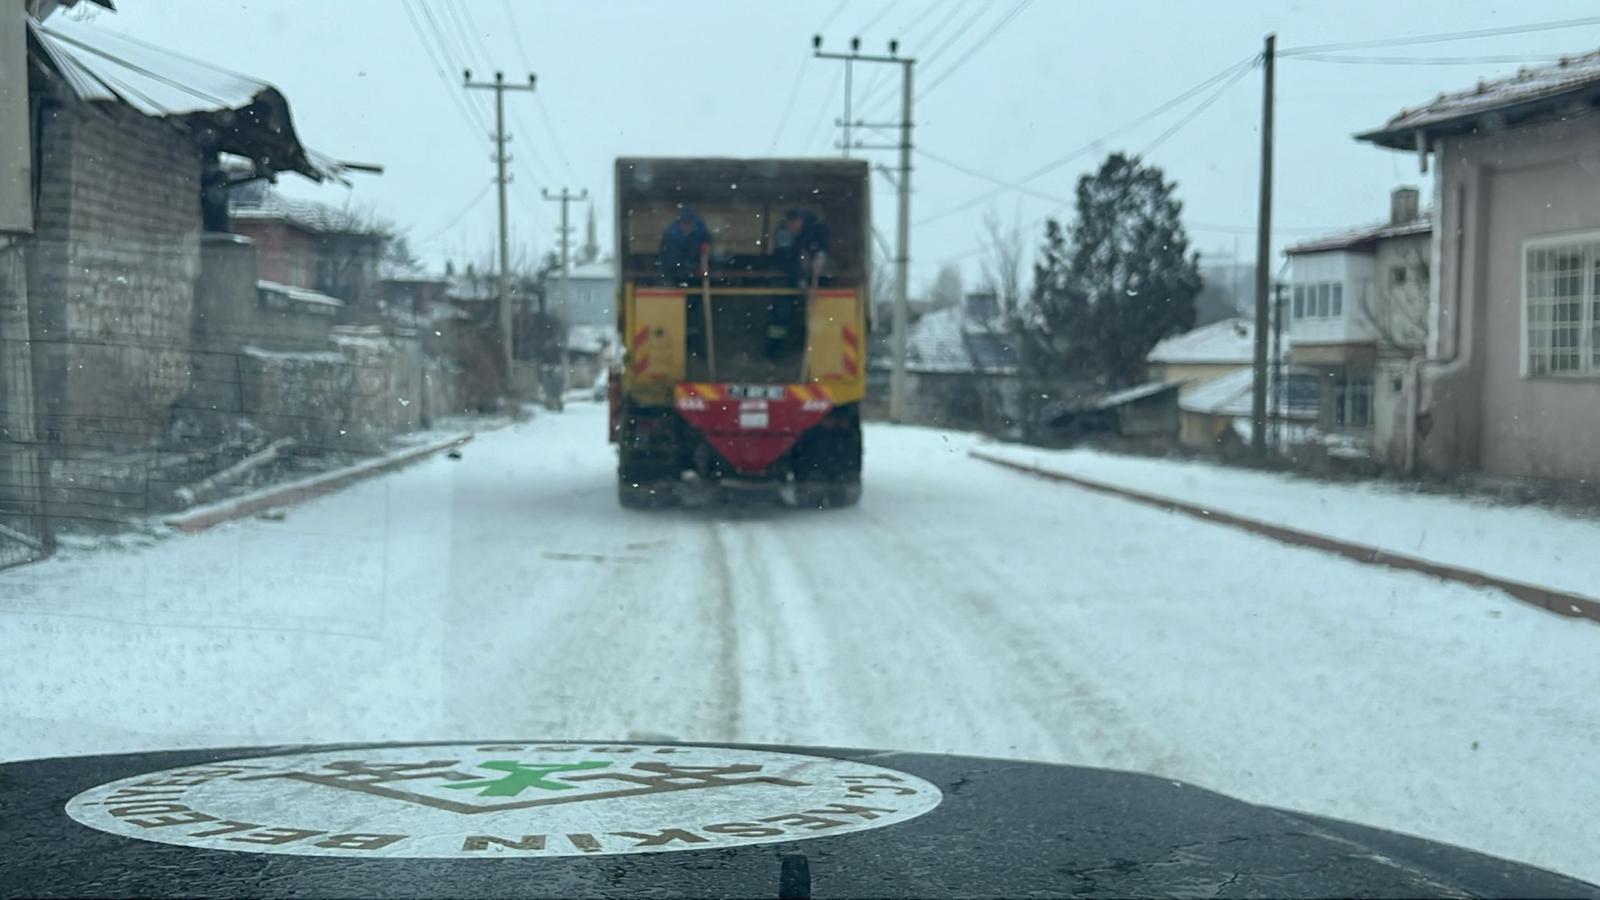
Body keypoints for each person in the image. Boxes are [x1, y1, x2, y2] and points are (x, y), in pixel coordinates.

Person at [772, 208, 830, 288]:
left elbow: (818, 249)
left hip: (819, 281)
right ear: (786, 224)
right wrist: (800, 278)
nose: (793, 228)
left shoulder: (813, 229)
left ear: (801, 221)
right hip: (786, 281)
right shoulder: (783, 234)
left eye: (796, 225)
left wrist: (819, 255)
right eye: (791, 225)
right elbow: (786, 258)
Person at [657, 207, 710, 284]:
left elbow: (706, 239)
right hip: (674, 275)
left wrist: (706, 244)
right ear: (680, 223)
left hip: (696, 277)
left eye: (690, 223)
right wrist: (695, 270)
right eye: (685, 223)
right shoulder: (671, 236)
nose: (688, 226)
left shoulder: (699, 231)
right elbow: (673, 261)